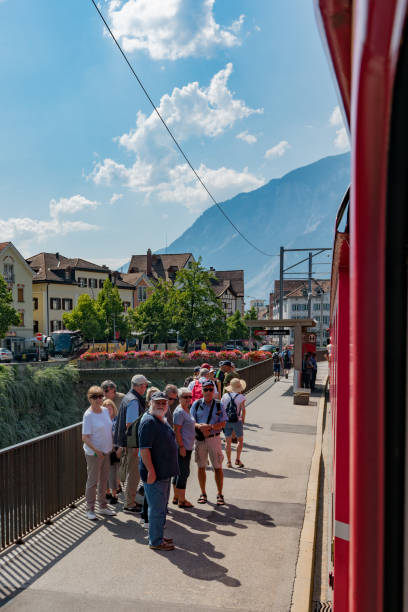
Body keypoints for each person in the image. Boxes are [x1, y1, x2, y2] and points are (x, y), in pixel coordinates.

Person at [139, 391, 179, 551]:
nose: (161, 405)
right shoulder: (148, 422)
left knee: (161, 507)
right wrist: (151, 471)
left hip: (163, 472)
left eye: (164, 402)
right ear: (150, 403)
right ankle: (155, 541)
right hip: (155, 473)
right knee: (156, 509)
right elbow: (144, 450)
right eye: (158, 402)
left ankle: (158, 536)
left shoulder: (160, 419)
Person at [114, 374, 150, 513]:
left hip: (128, 442)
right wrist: (136, 446)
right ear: (140, 386)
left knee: (131, 472)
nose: (146, 388)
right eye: (145, 385)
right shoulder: (134, 401)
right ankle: (129, 503)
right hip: (133, 443)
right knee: (133, 473)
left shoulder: (128, 397)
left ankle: (130, 501)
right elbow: (131, 424)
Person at [82, 386, 116, 520]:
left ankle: (102, 506)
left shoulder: (104, 411)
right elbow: (85, 437)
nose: (99, 399)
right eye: (95, 397)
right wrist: (97, 451)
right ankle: (89, 509)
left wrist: (112, 445)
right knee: (93, 481)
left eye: (101, 396)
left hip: (106, 451)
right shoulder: (88, 415)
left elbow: (108, 429)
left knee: (103, 480)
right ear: (90, 399)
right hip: (94, 454)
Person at [191, 381, 227, 506]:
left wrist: (210, 427)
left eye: (210, 389)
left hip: (214, 438)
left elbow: (223, 422)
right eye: (205, 389)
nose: (208, 392)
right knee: (201, 467)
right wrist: (200, 427)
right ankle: (203, 493)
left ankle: (220, 494)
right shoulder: (196, 404)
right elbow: (191, 422)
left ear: (214, 391)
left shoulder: (219, 404)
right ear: (202, 390)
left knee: (218, 467)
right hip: (200, 439)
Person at [172, 387, 195, 508]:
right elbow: (177, 430)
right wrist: (181, 447)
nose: (188, 399)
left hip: (187, 445)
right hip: (183, 446)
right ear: (179, 398)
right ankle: (182, 500)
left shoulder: (186, 409)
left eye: (189, 397)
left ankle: (176, 497)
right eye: (185, 397)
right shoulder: (180, 412)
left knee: (179, 472)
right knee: (183, 473)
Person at [221, 378, 247, 468]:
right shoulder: (241, 397)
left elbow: (222, 409)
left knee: (228, 442)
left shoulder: (225, 396)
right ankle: (237, 460)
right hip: (237, 421)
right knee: (240, 440)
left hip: (226, 421)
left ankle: (228, 462)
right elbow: (243, 410)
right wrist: (243, 420)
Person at [103, 398, 120, 504]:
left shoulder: (117, 421)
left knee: (113, 472)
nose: (108, 411)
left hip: (114, 449)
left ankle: (114, 494)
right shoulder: (101, 421)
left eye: (110, 408)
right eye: (106, 409)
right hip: (104, 449)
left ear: (114, 409)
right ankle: (107, 491)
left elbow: (121, 435)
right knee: (104, 472)